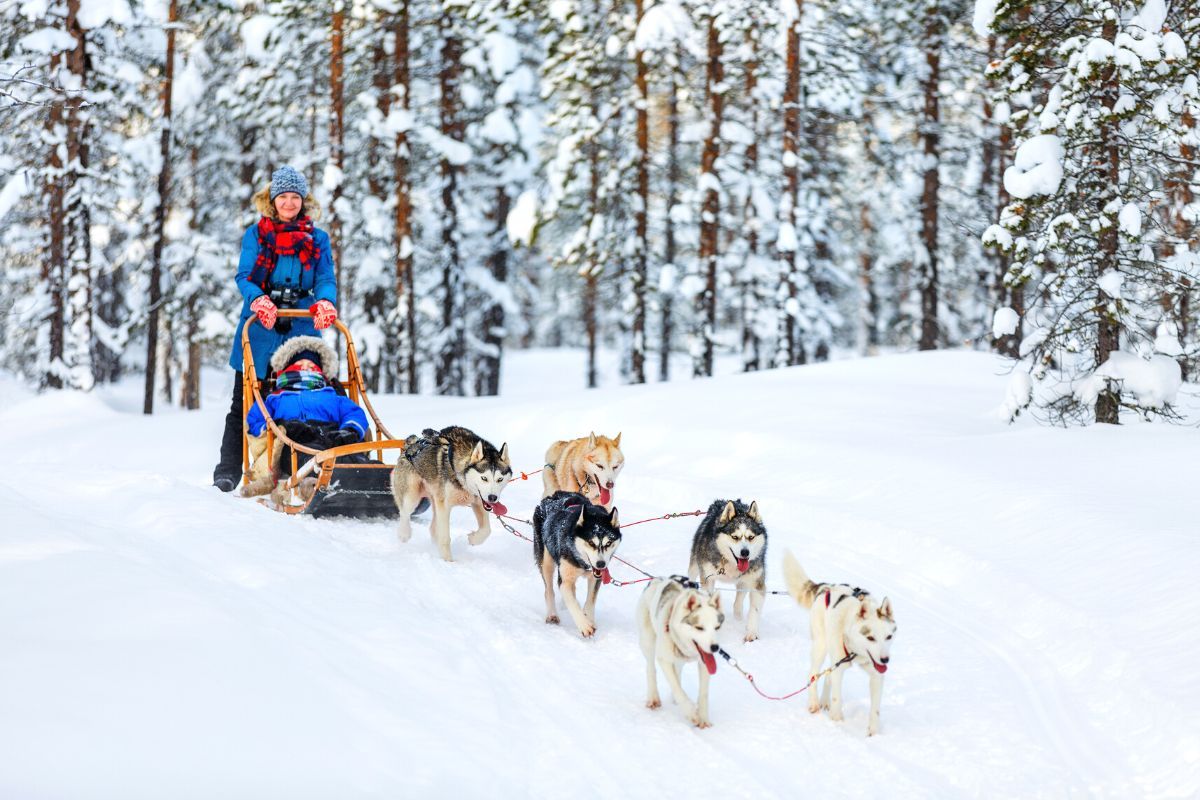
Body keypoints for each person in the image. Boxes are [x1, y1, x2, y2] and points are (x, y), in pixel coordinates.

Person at [212, 165, 340, 492]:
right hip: (260, 328)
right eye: (283, 196)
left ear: (303, 200)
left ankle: (316, 462)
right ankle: (229, 471)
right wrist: (259, 300)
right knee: (245, 401)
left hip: (301, 324)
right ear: (272, 199)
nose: (289, 203)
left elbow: (325, 278)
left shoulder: (318, 239)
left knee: (309, 394)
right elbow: (245, 277)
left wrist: (325, 301)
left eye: (294, 197)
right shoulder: (257, 235)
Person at [241, 336, 368, 498]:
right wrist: (278, 426)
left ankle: (381, 477)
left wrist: (349, 429)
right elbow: (255, 420)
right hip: (294, 441)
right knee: (310, 459)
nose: (306, 368)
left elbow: (354, 413)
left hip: (331, 436)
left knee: (351, 456)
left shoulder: (332, 395)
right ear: (288, 369)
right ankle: (315, 483)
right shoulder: (275, 398)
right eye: (300, 365)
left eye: (312, 366)